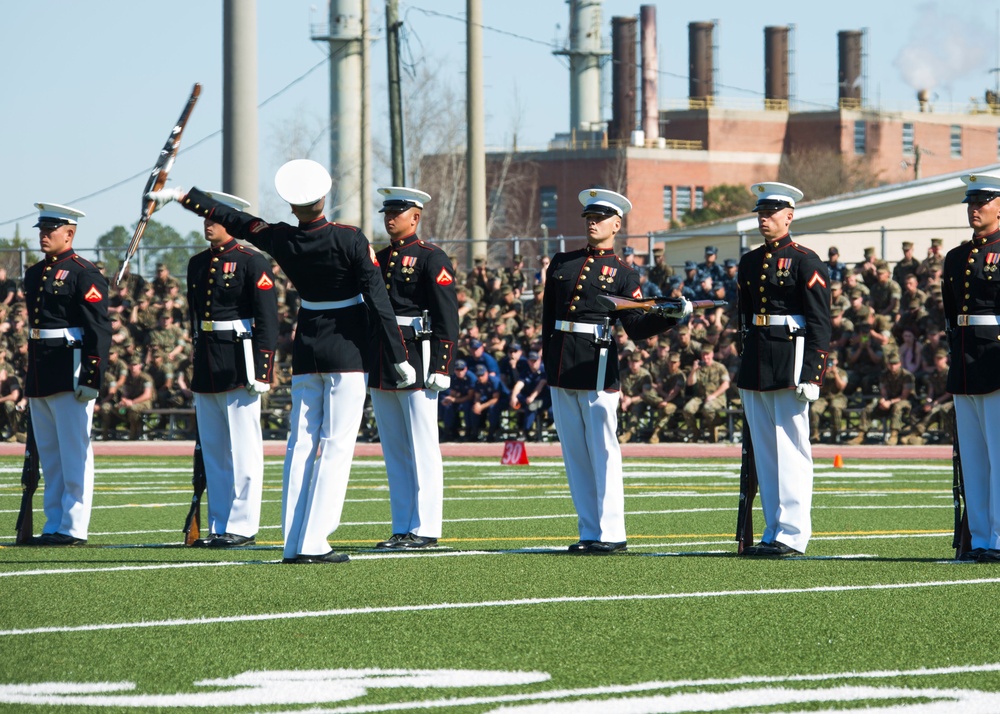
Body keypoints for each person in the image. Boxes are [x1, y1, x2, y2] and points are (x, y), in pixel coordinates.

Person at [148, 159, 414, 564]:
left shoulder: (282, 239)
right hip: (348, 349)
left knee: (301, 444)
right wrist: (398, 355)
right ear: (323, 197)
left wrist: (184, 196)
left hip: (307, 345)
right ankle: (314, 540)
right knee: (336, 445)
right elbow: (377, 299)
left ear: (291, 206)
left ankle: (294, 540)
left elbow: (236, 219)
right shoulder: (350, 238)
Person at [542, 188, 688, 554]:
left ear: (616, 225)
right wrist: (548, 363)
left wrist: (670, 317)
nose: (593, 223)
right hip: (562, 363)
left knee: (603, 451)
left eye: (600, 218)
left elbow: (636, 328)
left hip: (598, 364)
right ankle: (590, 531)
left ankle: (611, 533)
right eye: (589, 218)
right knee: (574, 453)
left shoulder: (624, 273)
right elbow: (547, 320)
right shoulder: (562, 263)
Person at [737, 182, 831, 557]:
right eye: (761, 212)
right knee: (765, 451)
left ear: (789, 217)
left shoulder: (806, 260)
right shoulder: (749, 261)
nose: (764, 218)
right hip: (757, 359)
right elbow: (742, 317)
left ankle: (792, 533)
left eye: (772, 212)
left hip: (790, 359)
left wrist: (813, 373)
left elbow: (820, 321)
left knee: (791, 448)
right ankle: (772, 529)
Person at [185, 191, 278, 548]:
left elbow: (268, 318)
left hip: (241, 359)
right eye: (206, 218)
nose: (209, 223)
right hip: (208, 359)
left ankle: (242, 525)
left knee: (243, 448)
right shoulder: (197, 263)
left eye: (216, 218)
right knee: (214, 449)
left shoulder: (251, 261)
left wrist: (263, 368)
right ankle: (219, 523)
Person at [368, 187, 459, 550]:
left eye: (397, 213)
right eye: (387, 213)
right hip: (383, 359)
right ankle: (403, 525)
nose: (390, 218)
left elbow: (446, 316)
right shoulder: (379, 257)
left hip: (419, 357)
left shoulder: (431, 258)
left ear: (415, 217)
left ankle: (425, 527)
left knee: (422, 446)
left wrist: (442, 364)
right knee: (394, 449)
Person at [21, 203, 111, 546]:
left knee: (74, 452)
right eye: (42, 230)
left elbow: (98, 330)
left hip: (71, 368)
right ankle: (54, 522)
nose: (44, 236)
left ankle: (73, 526)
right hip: (43, 369)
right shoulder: (33, 273)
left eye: (50, 231)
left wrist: (91, 377)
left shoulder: (83, 272)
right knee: (50, 454)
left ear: (69, 234)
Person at [943, 171, 1000, 561]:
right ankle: (980, 538)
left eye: (982, 202)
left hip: (996, 358)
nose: (974, 209)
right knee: (976, 459)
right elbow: (950, 315)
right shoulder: (957, 256)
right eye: (971, 203)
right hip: (965, 360)